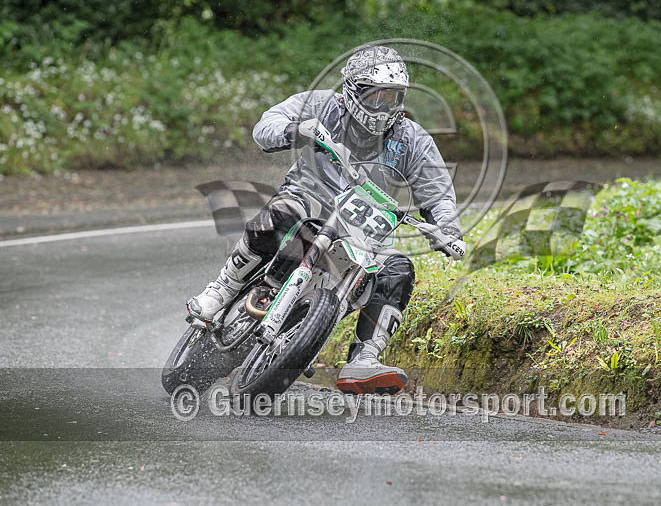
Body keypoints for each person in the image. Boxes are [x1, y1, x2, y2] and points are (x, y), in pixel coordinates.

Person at [187, 45, 462, 394]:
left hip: (363, 232)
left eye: (392, 97)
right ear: (352, 89)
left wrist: (446, 230)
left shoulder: (412, 139)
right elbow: (266, 126)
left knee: (398, 269)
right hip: (308, 199)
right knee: (283, 214)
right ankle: (223, 287)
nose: (383, 106)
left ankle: (365, 358)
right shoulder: (321, 105)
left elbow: (437, 192)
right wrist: (300, 131)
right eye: (375, 95)